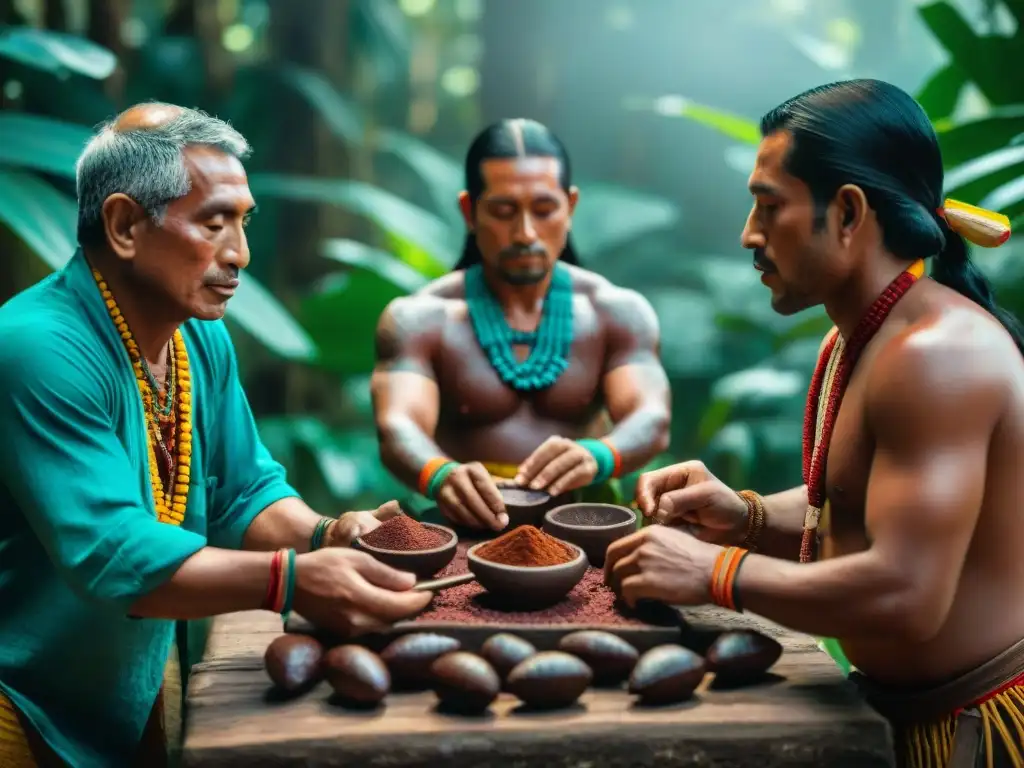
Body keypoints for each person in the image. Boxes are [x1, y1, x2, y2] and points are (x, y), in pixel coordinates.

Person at [604, 79, 1024, 768]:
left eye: (769, 206)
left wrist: (716, 570)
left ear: (849, 213)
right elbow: (862, 501)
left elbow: (907, 593)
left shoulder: (937, 357)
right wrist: (742, 515)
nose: (749, 234)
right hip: (900, 717)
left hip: (975, 739)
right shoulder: (858, 337)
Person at [0, 103, 432, 768]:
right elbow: (112, 553)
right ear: (123, 226)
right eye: (213, 222)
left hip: (132, 679)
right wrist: (295, 579)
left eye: (243, 221)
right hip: (21, 696)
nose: (240, 254)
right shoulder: (37, 347)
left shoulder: (198, 334)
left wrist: (328, 534)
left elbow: (243, 492)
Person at [371, 118, 671, 531]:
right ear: (469, 211)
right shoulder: (420, 318)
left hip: (586, 527)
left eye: (544, 209)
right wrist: (440, 475)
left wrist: (598, 456)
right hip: (463, 531)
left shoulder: (616, 312)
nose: (526, 232)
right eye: (503, 211)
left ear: (571, 207)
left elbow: (651, 417)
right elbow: (398, 426)